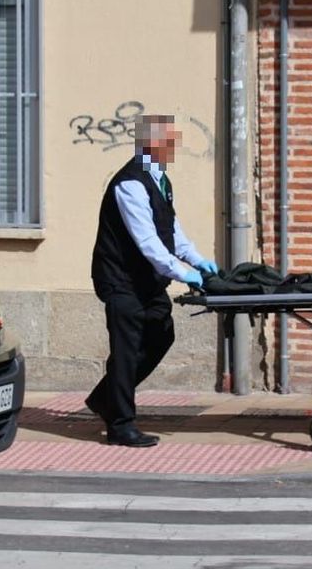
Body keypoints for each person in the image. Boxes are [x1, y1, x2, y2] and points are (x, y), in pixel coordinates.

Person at [86, 114, 217, 447]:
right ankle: (120, 425)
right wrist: (183, 272)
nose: (173, 147)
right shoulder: (129, 184)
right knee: (126, 352)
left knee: (161, 334)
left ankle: (105, 397)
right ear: (150, 144)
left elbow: (171, 231)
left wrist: (197, 258)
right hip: (121, 280)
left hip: (147, 281)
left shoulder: (160, 180)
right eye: (168, 141)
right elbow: (148, 244)